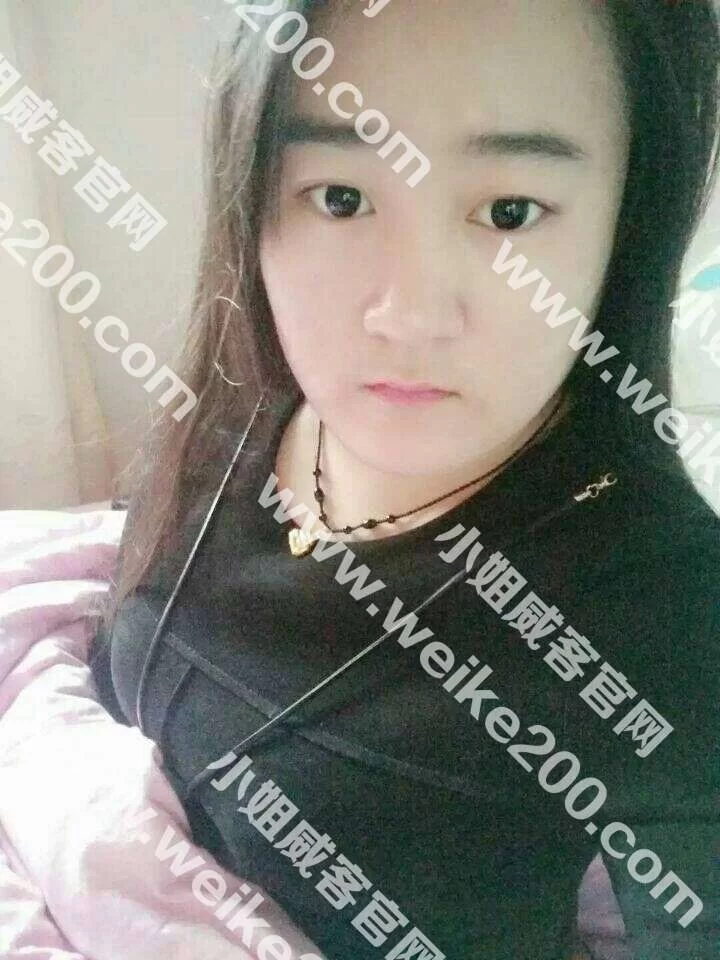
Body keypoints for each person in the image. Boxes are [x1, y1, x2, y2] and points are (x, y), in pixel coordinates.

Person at [90, 0, 720, 956]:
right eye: (340, 198)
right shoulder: (242, 402)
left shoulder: (671, 610)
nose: (407, 316)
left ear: (626, 223)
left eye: (509, 212)